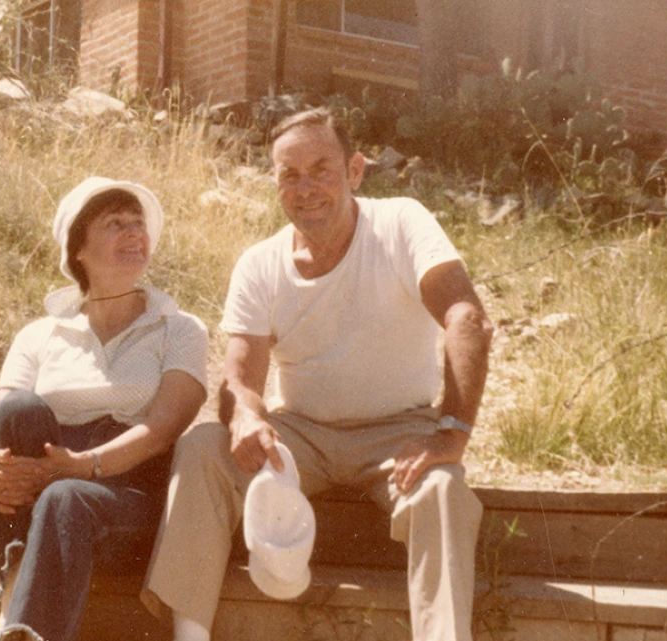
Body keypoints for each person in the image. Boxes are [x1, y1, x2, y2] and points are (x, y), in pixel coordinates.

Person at [141, 107, 494, 641]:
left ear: (354, 171)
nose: (305, 188)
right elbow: (240, 379)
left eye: (321, 169)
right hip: (300, 436)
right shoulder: (259, 264)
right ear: (275, 184)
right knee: (202, 449)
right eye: (289, 174)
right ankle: (190, 636)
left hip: (399, 433)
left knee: (443, 491)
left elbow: (466, 316)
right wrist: (246, 422)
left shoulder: (401, 222)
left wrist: (453, 432)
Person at [0, 177, 209, 641]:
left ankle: (18, 624)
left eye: (139, 224)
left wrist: (82, 466)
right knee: (20, 408)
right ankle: (18, 587)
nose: (134, 233)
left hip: (127, 496)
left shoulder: (180, 329)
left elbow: (163, 428)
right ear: (79, 250)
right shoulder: (40, 334)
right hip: (40, 488)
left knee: (65, 496)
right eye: (115, 224)